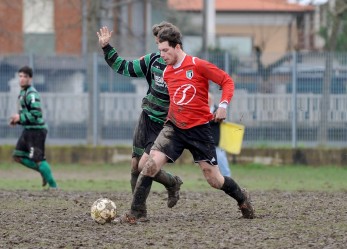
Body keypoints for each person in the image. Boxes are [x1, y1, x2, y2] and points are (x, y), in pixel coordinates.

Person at [117, 26, 255, 224]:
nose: (162, 55)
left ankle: (242, 197)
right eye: (160, 50)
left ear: (177, 47)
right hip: (173, 128)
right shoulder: (167, 73)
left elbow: (226, 81)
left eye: (165, 50)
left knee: (214, 179)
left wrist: (223, 105)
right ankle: (136, 212)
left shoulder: (198, 65)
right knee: (149, 165)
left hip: (199, 130)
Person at [96, 23, 183, 211]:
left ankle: (171, 183)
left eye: (161, 43)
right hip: (146, 118)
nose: (159, 49)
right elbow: (124, 67)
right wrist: (106, 47)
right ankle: (140, 210)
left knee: (146, 165)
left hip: (165, 125)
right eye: (157, 43)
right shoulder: (152, 61)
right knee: (135, 164)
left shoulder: (183, 67)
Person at [9, 66, 58, 189]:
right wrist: (18, 120)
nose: (22, 79)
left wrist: (20, 117)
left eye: (25, 76)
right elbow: (27, 114)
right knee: (17, 156)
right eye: (20, 76)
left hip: (37, 131)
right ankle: (43, 172)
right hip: (28, 130)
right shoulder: (22, 93)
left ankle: (54, 187)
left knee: (38, 159)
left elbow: (37, 114)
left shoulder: (31, 94)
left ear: (30, 79)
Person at [208, 92, 231, 177]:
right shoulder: (202, 110)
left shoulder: (217, 110)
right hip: (205, 141)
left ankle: (227, 177)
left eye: (209, 99)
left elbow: (218, 120)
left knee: (221, 160)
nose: (207, 100)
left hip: (216, 141)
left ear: (212, 100)